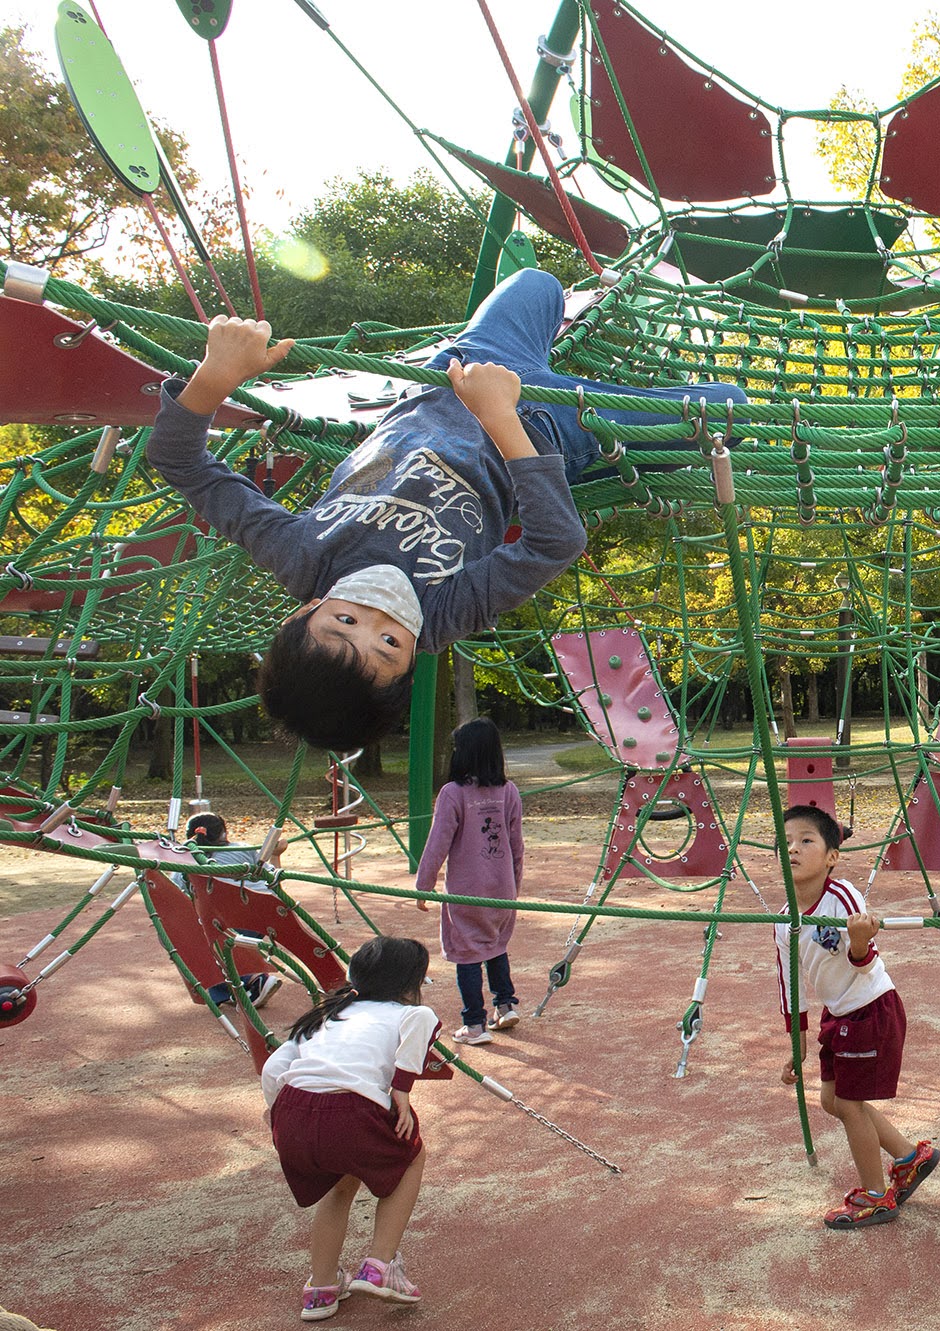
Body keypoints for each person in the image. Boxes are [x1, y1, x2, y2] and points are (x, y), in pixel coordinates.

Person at [146, 268, 749, 753]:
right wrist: (502, 418)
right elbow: (553, 542)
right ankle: (596, 402)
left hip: (455, 373)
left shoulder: (302, 555)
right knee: (729, 411)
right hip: (549, 428)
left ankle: (570, 354)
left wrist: (214, 376)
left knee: (537, 283)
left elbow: (184, 465)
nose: (377, 616)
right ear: (413, 660)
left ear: (304, 614)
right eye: (388, 645)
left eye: (346, 625)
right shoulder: (443, 612)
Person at [774, 805, 937, 1229]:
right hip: (839, 1012)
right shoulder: (782, 921)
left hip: (869, 1008)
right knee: (833, 1101)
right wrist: (797, 1042)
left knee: (848, 1103)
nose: (793, 848)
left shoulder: (842, 895)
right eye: (786, 841)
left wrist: (861, 941)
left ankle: (875, 1196)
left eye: (806, 840)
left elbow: (864, 963)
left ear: (831, 856)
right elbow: (790, 984)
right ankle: (909, 1157)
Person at [261, 935, 437, 1318]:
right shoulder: (406, 1012)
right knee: (411, 1159)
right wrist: (402, 1089)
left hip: (293, 1111)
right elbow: (424, 1019)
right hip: (351, 1112)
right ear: (410, 986)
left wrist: (274, 1110)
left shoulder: (329, 1012)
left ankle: (321, 1289)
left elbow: (275, 1067)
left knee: (339, 1185)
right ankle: (379, 1266)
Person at [413, 718, 523, 1047]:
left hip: (466, 892)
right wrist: (514, 886)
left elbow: (438, 843)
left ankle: (475, 1024)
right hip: (502, 890)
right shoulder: (509, 790)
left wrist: (424, 884)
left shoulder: (453, 793)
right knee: (495, 945)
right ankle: (505, 1005)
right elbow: (517, 845)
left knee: (467, 953)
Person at [176, 812, 284, 1011]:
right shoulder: (243, 849)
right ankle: (236, 990)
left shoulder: (182, 862)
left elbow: (178, 901)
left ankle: (253, 979)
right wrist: (277, 855)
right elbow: (273, 879)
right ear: (224, 833)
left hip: (228, 923)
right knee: (221, 932)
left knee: (195, 936)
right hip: (266, 912)